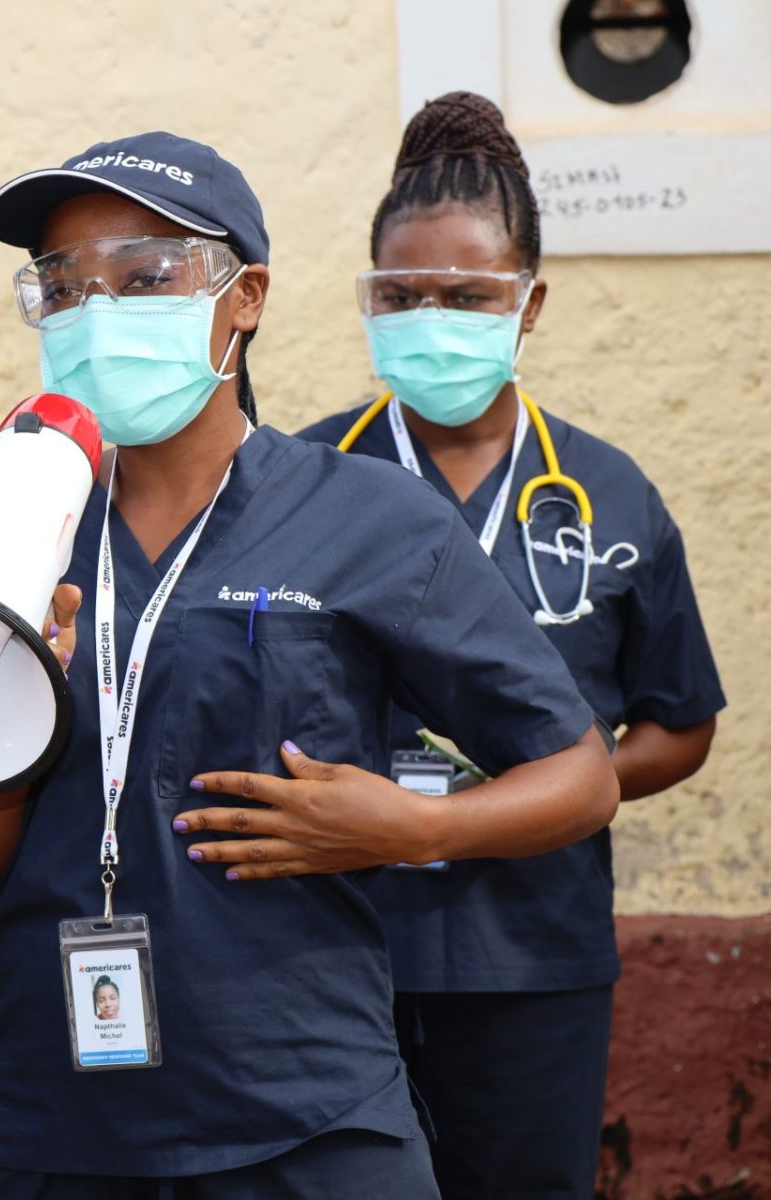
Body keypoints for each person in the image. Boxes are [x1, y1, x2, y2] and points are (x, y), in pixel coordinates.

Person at [0, 131, 620, 1198]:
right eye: (63, 287)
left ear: (244, 298)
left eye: (144, 276)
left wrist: (417, 827)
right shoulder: (0, 535)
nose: (97, 313)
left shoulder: (368, 518)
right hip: (42, 1120)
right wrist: (2, 708)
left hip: (301, 1115)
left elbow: (581, 775)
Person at [299, 92, 724, 1199]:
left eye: (467, 295)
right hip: (327, 948)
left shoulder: (609, 493)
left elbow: (680, 724)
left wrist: (525, 798)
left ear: (529, 303)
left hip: (532, 953)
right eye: (401, 295)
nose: (430, 317)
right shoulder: (302, 482)